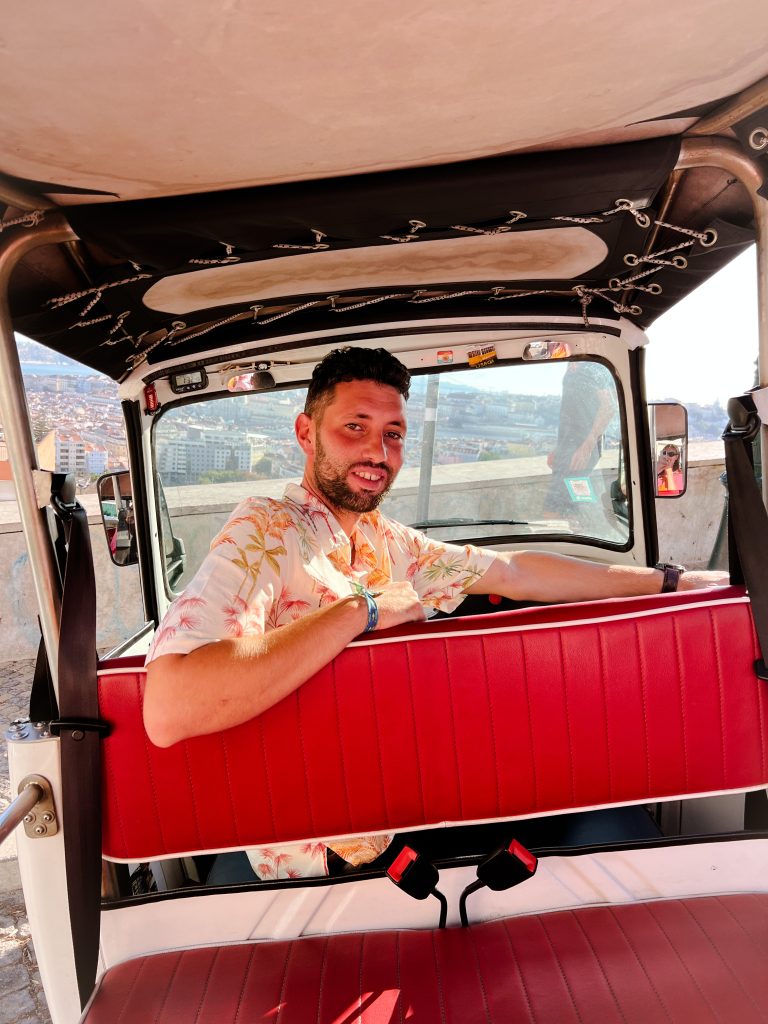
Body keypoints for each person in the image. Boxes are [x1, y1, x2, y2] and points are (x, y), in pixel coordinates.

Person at [144, 346, 726, 879]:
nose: (378, 452)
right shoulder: (265, 529)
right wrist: (362, 610)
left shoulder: (382, 539)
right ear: (305, 433)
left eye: (393, 433)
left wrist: (667, 581)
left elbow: (511, 572)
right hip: (320, 850)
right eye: (355, 428)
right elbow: (170, 706)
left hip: (410, 806)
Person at [545, 360, 618, 533]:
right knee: (568, 509)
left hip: (580, 450)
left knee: (556, 510)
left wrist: (585, 449)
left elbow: (609, 407)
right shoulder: (575, 362)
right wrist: (560, 446)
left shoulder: (595, 364)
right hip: (569, 448)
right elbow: (573, 409)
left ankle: (574, 552)